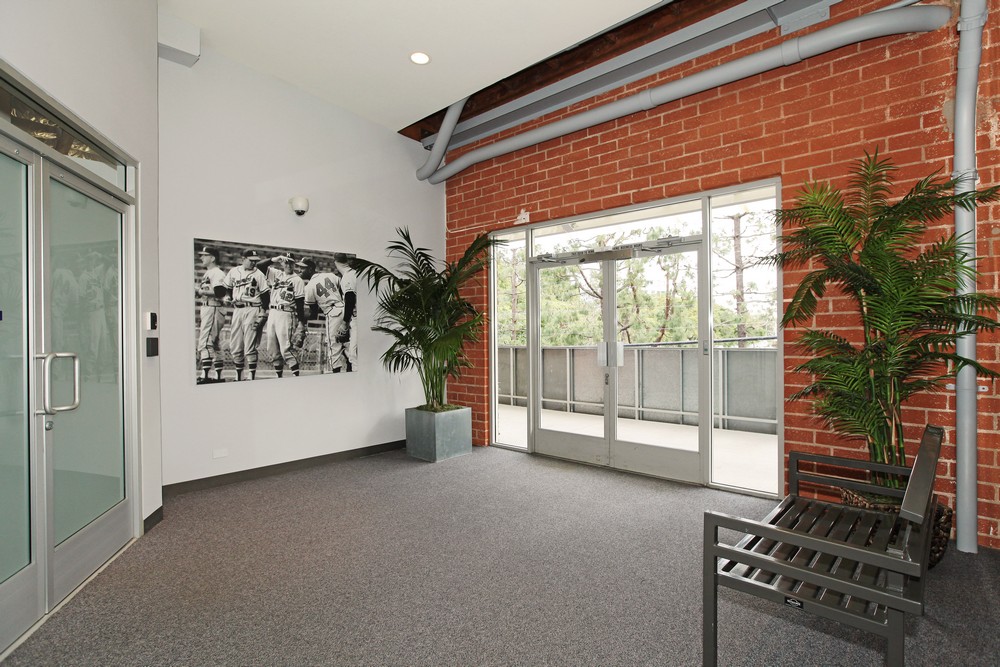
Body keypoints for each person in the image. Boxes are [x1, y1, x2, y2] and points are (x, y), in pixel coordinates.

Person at [297, 255, 355, 373]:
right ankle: (351, 368)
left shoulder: (309, 286)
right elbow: (343, 289)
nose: (299, 270)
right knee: (347, 342)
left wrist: (302, 319)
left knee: (333, 346)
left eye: (303, 268)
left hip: (332, 314)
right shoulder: (330, 275)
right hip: (345, 310)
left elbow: (313, 312)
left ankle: (336, 373)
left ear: (310, 269)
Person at [223, 248, 270, 381]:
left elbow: (265, 295)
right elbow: (228, 287)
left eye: (255, 261)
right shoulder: (234, 271)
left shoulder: (259, 274)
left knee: (250, 345)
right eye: (251, 260)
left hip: (253, 309)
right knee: (235, 345)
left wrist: (263, 312)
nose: (254, 263)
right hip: (237, 309)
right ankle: (239, 376)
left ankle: (251, 377)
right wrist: (227, 297)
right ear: (243, 259)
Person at [258, 254, 306, 377]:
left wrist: (301, 322)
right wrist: (273, 259)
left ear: (294, 264)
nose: (289, 265)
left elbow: (300, 303)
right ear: (282, 263)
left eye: (291, 262)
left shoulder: (297, 280)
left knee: (286, 348)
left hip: (286, 313)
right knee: (272, 348)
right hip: (273, 312)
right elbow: (259, 266)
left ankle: (296, 377)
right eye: (286, 262)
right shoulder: (276, 274)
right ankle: (279, 377)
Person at [195, 245, 227, 382]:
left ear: (212, 258)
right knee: (215, 343)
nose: (201, 257)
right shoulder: (209, 273)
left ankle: (205, 375)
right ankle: (219, 376)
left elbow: (220, 292)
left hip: (213, 307)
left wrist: (201, 291)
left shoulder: (217, 273)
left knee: (205, 341)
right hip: (210, 307)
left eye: (204, 255)